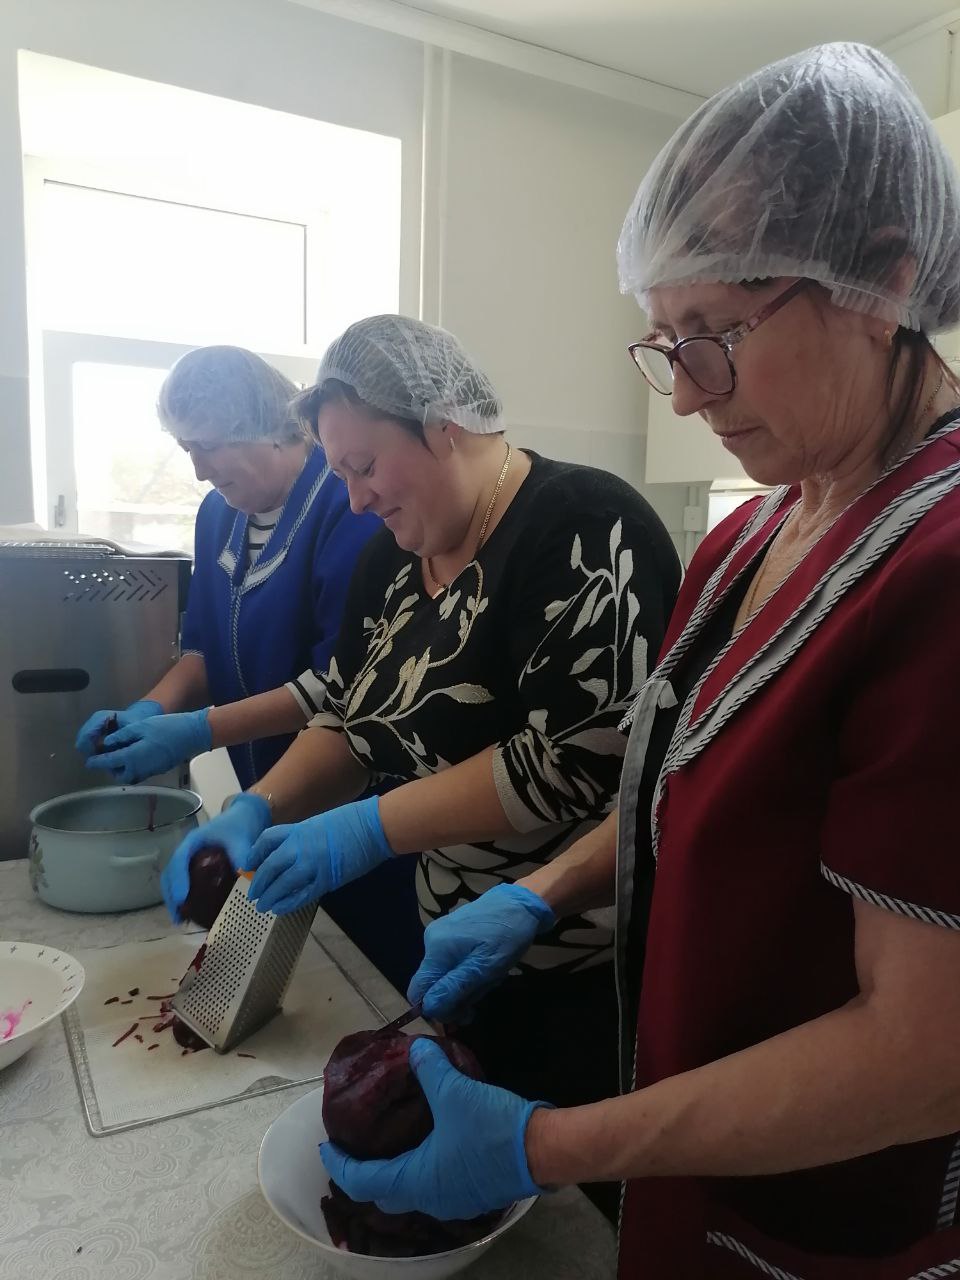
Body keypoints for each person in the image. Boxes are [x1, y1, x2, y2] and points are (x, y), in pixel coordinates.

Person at [319, 45, 960, 1279]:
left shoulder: (938, 569)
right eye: (664, 341)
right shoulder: (749, 538)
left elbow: (925, 1051)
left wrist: (549, 1143)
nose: (683, 395)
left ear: (883, 281)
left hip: (830, 1220)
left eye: (714, 332)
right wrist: (545, 890)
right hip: (695, 1155)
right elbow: (685, 796)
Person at [161, 314, 681, 1127]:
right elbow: (349, 710)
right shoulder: (391, 558)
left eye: (365, 466)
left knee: (563, 1180)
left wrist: (363, 829)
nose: (356, 498)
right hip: (451, 947)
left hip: (577, 960)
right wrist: (259, 806)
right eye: (341, 474)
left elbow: (571, 763)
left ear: (444, 426)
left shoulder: (584, 523)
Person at [76, 345, 379, 791]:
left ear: (268, 429)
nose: (199, 471)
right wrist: (149, 710)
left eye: (208, 446)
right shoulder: (216, 514)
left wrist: (201, 730)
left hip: (339, 789)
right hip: (255, 784)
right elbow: (203, 650)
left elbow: (339, 682)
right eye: (186, 448)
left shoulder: (349, 504)